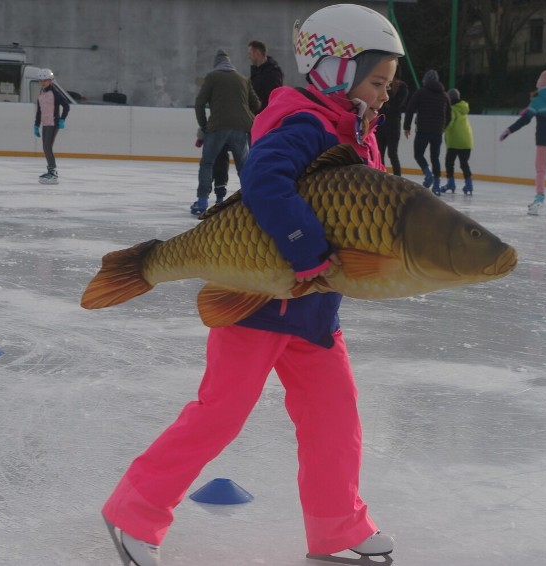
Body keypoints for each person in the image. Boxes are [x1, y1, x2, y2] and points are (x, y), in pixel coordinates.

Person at [101, 5, 404, 565]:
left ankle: (338, 528)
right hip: (257, 303)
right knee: (219, 414)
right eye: (378, 82)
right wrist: (308, 250)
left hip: (314, 315)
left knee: (335, 423)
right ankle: (133, 511)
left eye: (388, 84)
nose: (386, 94)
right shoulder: (304, 123)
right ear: (337, 71)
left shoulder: (355, 131)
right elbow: (264, 182)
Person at [191, 49, 260, 216]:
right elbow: (256, 105)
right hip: (241, 128)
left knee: (207, 163)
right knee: (243, 167)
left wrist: (204, 125)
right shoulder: (243, 79)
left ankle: (202, 201)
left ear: (216, 64)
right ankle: (251, 202)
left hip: (217, 127)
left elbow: (199, 103)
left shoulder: (212, 77)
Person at [499, 69, 546, 215]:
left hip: (543, 140)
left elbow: (525, 119)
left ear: (540, 86)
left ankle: (539, 201)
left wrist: (509, 130)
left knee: (541, 170)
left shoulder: (537, 101)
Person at [402, 69, 451, 195]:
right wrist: (443, 127)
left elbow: (410, 109)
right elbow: (449, 115)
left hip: (423, 130)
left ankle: (428, 173)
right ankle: (437, 185)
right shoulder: (444, 95)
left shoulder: (421, 93)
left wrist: (406, 126)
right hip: (437, 132)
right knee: (435, 157)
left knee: (418, 154)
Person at [33, 68, 70, 185]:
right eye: (41, 81)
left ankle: (53, 173)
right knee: (45, 147)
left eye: (46, 80)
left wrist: (62, 119)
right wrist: (36, 125)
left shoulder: (55, 93)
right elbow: (39, 111)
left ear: (51, 81)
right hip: (45, 123)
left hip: (54, 123)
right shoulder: (41, 93)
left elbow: (66, 106)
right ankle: (50, 171)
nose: (43, 83)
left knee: (47, 147)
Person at [441, 88, 474, 195]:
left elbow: (449, 122)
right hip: (467, 141)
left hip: (455, 141)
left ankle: (451, 183)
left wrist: (442, 129)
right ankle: (469, 184)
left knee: (449, 163)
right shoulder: (463, 108)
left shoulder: (452, 109)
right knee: (464, 163)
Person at [375, 71, 408, 176]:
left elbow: (396, 105)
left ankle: (391, 177)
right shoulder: (386, 87)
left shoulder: (400, 88)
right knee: (383, 154)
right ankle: (382, 177)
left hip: (389, 125)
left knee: (390, 154)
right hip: (385, 124)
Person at [195, 128, 231, 205]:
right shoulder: (230, 127)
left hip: (209, 159)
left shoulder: (212, 122)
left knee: (206, 178)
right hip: (223, 160)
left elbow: (202, 130)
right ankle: (220, 199)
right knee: (221, 179)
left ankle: (203, 200)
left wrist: (199, 140)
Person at [247, 40, 284, 111]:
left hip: (266, 116)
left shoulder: (272, 73)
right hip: (256, 116)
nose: (249, 57)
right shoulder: (256, 73)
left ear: (257, 53)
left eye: (250, 53)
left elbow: (275, 98)